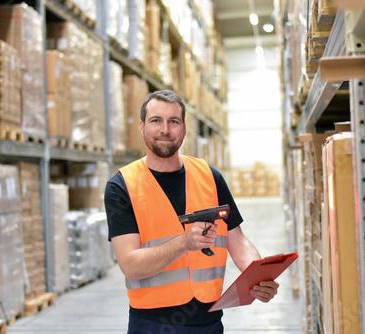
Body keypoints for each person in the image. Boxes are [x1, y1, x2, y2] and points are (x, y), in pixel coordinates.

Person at [104, 90, 279, 333]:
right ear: (142, 127)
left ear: (184, 129)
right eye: (156, 121)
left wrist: (258, 276)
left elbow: (237, 240)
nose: (165, 129)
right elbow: (130, 265)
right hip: (152, 324)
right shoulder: (121, 186)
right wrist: (184, 243)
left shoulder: (210, 176)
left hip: (209, 321)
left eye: (173, 121)